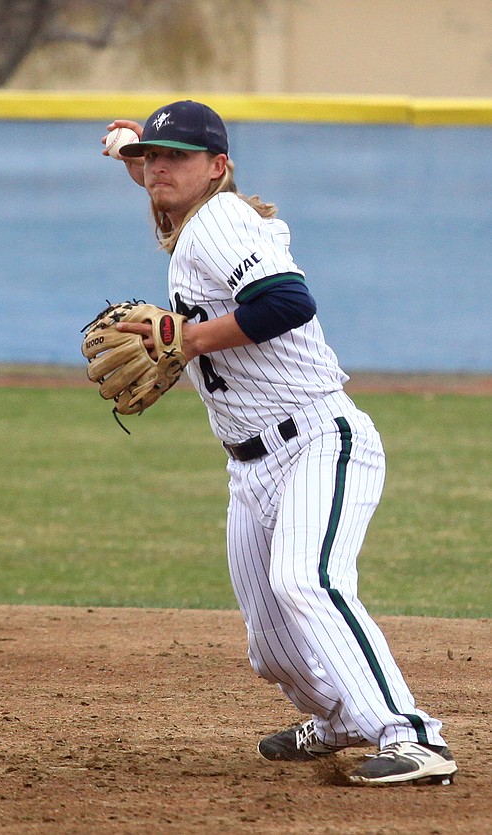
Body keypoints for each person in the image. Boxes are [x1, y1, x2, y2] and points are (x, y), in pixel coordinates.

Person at [103, 100, 456, 786]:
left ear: (219, 168)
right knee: (271, 648)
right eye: (152, 158)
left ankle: (413, 736)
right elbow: (159, 178)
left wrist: (188, 337)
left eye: (177, 156)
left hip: (318, 437)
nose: (158, 169)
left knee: (308, 580)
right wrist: (131, 148)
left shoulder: (223, 219)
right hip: (251, 466)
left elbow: (289, 301)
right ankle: (343, 716)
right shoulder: (195, 224)